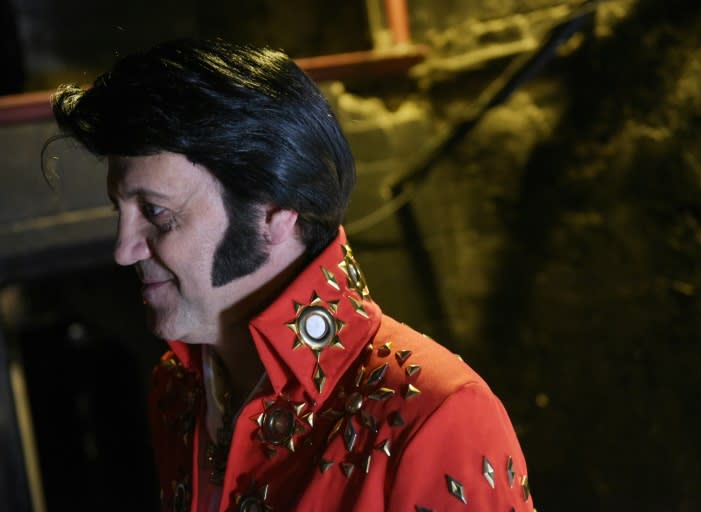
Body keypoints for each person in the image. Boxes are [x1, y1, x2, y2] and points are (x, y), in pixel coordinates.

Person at [48, 39, 535, 512]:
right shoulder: (177, 386)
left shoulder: (434, 414)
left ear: (274, 213)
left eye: (156, 212)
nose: (123, 249)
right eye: (122, 211)